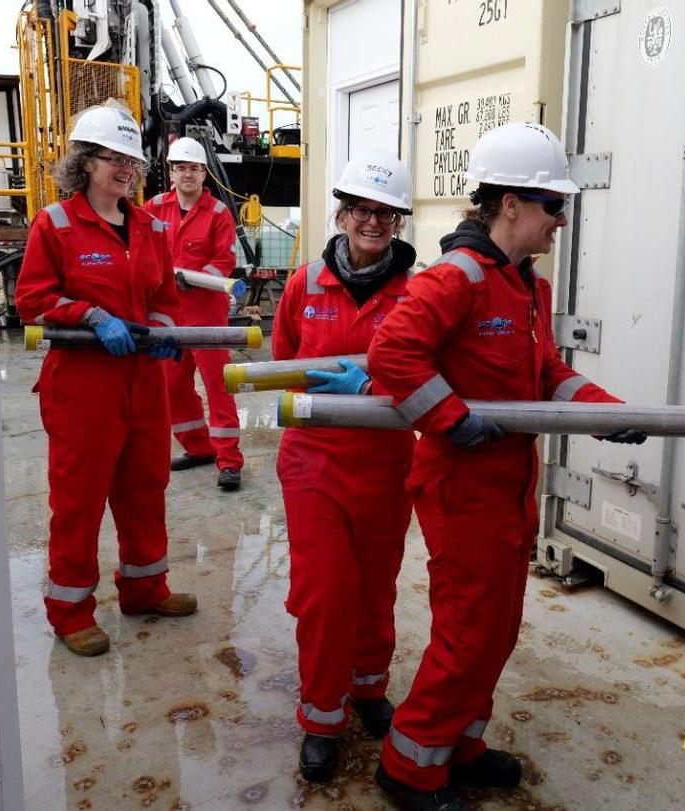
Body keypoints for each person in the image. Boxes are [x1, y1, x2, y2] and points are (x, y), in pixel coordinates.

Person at [366, 122, 646, 811]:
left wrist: (604, 412)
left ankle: (457, 743)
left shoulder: (527, 288)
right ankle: (408, 767)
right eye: (553, 205)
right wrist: (453, 418)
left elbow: (547, 372)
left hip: (509, 487)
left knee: (497, 627)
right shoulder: (455, 279)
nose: (561, 220)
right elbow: (392, 356)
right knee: (468, 632)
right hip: (462, 488)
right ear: (509, 204)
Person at [15, 104, 197, 657]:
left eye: (132, 161)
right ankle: (70, 612)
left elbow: (164, 293)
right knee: (80, 498)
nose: (125, 169)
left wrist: (164, 330)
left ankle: (144, 589)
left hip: (142, 380)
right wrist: (89, 315)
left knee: (146, 487)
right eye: (113, 158)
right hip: (83, 385)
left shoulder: (148, 224)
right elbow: (32, 300)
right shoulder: (56, 223)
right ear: (85, 161)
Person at [273, 152, 418, 782]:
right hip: (315, 465)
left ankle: (366, 686)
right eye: (363, 209)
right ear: (343, 212)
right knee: (325, 593)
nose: (373, 222)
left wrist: (380, 376)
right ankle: (321, 717)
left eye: (386, 214)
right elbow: (284, 360)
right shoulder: (305, 284)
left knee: (374, 586)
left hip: (387, 465)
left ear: (399, 223)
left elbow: (430, 370)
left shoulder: (418, 293)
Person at [144, 137, 245, 491]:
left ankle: (229, 460)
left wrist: (199, 279)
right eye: (181, 167)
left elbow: (224, 262)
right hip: (167, 316)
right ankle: (198, 448)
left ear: (205, 174)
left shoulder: (218, 213)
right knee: (172, 386)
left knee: (219, 386)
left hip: (205, 314)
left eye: (195, 168)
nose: (188, 174)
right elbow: (139, 252)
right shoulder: (153, 208)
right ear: (171, 172)